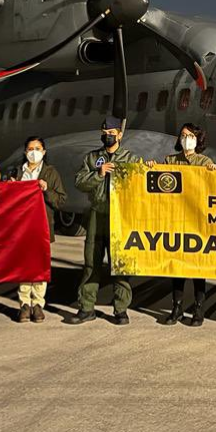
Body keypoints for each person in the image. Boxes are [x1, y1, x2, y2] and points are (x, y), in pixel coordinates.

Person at [68, 117, 140, 325]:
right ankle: (87, 307)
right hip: (96, 214)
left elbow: (140, 182)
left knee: (120, 263)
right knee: (92, 262)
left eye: (111, 132)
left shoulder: (130, 158)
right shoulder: (92, 158)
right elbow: (80, 182)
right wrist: (98, 174)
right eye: (104, 132)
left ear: (119, 134)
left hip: (120, 217)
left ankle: (121, 309)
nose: (107, 135)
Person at [145, 123, 216, 326]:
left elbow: (213, 188)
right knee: (177, 268)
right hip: (176, 220)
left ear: (198, 139)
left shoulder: (204, 162)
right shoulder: (170, 160)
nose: (187, 139)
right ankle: (176, 308)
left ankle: (198, 309)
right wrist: (152, 168)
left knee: (196, 270)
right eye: (183, 135)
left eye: (191, 135)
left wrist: (214, 172)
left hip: (197, 222)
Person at [7, 136, 67, 323]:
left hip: (42, 226)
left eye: (38, 148)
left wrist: (47, 190)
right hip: (22, 226)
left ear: (44, 152)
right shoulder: (17, 172)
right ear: (25, 152)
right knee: (24, 266)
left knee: (40, 266)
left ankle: (38, 304)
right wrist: (10, 189)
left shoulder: (50, 173)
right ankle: (25, 303)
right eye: (31, 148)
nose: (34, 152)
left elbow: (61, 200)